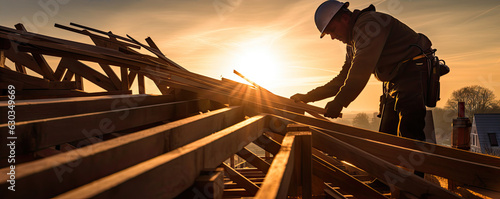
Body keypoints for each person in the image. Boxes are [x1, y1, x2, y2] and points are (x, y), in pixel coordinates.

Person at [291, 1, 437, 147]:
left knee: (409, 131)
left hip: (413, 69)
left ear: (345, 19)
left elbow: (361, 70)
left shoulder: (368, 26)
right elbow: (343, 78)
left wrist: (340, 102)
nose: (333, 37)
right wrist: (309, 97)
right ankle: (392, 169)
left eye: (333, 30)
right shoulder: (352, 43)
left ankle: (416, 168)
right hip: (394, 78)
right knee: (387, 134)